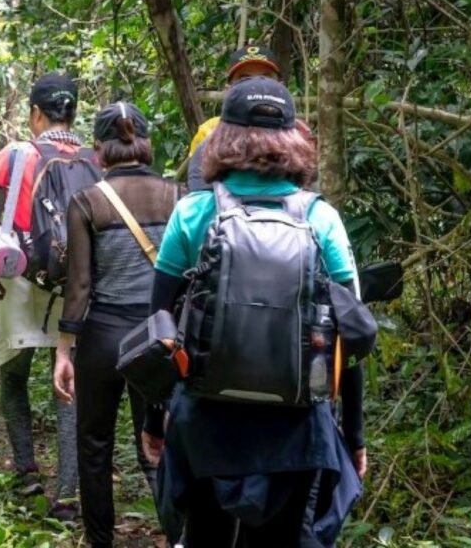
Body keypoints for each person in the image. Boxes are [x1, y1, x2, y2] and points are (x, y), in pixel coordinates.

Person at [143, 77, 365, 547]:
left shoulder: (193, 213)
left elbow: (157, 328)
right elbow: (350, 333)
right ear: (293, 140)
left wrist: (153, 419)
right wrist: (354, 433)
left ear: (224, 137)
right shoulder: (320, 217)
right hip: (297, 429)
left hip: (205, 423)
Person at [52, 102, 182, 547]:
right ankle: (178, 533)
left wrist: (64, 351)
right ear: (145, 143)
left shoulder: (86, 201)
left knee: (94, 446)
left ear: (97, 150)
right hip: (159, 339)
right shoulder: (177, 196)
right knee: (159, 445)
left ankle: (99, 540)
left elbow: (80, 285)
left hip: (104, 338)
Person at [0, 73, 90, 518]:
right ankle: (70, 494)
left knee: (14, 379)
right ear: (73, 112)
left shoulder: (19, 153)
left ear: (36, 113)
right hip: (74, 289)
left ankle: (27, 474)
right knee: (69, 388)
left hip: (18, 278)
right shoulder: (94, 159)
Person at [187, 45, 313, 192]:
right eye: (244, 79)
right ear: (228, 89)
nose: (256, 84)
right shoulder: (209, 131)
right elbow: (199, 187)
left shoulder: (297, 134)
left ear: (281, 86)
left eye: (265, 77)